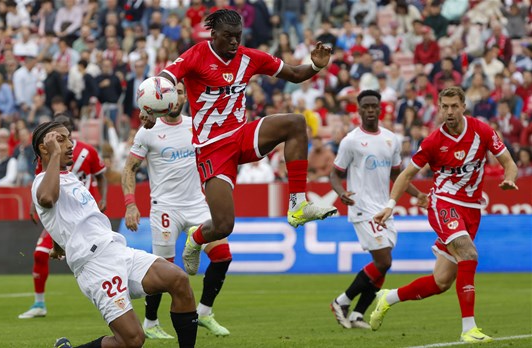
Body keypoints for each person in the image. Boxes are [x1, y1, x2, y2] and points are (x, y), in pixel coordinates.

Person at [144, 9, 337, 275]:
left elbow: (293, 73)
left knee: (295, 123)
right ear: (213, 35)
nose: (234, 42)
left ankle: (297, 204)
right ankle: (196, 238)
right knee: (224, 226)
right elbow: (165, 79)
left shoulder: (248, 58)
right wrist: (151, 108)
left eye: (238, 36)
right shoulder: (197, 55)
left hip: (242, 135)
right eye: (228, 37)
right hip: (212, 149)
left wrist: (315, 65)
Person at [370, 86, 519, 343]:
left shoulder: (481, 131)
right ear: (439, 108)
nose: (449, 112)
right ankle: (468, 329)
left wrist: (510, 178)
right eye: (445, 107)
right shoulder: (432, 142)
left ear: (463, 107)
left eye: (454, 106)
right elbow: (406, 175)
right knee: (469, 253)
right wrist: (390, 204)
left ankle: (388, 297)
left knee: (441, 282)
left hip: (471, 209)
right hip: (443, 203)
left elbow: (509, 162)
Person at [30, 121, 198, 348]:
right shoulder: (42, 181)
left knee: (178, 280)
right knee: (132, 340)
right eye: (61, 140)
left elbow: (67, 218)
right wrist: (54, 154)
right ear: (44, 148)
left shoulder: (69, 177)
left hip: (117, 250)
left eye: (69, 138)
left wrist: (59, 245)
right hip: (95, 265)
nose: (70, 145)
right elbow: (47, 199)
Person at [122, 81, 232, 338]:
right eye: (174, 92)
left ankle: (204, 312)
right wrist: (130, 205)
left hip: (197, 204)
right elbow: (129, 169)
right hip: (165, 208)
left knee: (223, 255)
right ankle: (150, 322)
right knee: (164, 271)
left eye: (182, 92)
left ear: (184, 97)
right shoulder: (148, 131)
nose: (177, 97)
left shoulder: (196, 126)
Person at [329, 90, 427, 330]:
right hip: (361, 207)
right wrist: (341, 193)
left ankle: (357, 314)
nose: (371, 110)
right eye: (366, 106)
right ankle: (341, 302)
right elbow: (335, 173)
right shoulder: (351, 140)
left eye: (374, 106)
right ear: (359, 110)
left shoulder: (391, 139)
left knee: (385, 262)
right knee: (383, 260)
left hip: (383, 208)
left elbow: (397, 174)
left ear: (380, 108)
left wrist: (418, 195)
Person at [19, 114, 108, 319]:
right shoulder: (49, 153)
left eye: (66, 131)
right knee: (40, 253)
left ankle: (109, 293)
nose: (63, 137)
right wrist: (35, 204)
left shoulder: (87, 151)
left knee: (97, 258)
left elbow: (101, 175)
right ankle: (39, 303)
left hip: (82, 215)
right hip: (59, 215)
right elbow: (42, 185)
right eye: (58, 133)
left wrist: (103, 198)